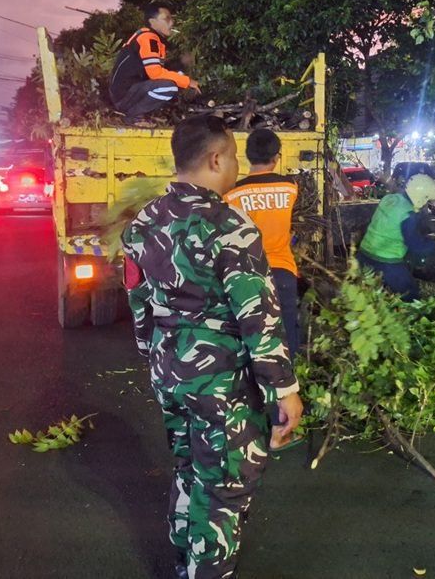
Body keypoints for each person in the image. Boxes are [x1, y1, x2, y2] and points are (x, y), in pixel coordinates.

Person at [121, 114, 302, 579]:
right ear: (216, 158)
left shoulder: (142, 223)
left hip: (169, 373)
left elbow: (139, 303)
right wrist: (284, 389)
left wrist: (155, 359)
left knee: (188, 466)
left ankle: (184, 561)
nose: (237, 167)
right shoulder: (231, 227)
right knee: (224, 486)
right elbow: (259, 318)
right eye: (235, 158)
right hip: (221, 382)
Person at [224, 129, 300, 359]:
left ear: (247, 156)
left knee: (250, 333)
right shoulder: (290, 188)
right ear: (276, 158)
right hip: (283, 272)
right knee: (287, 334)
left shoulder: (232, 194)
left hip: (247, 275)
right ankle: (288, 386)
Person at [357, 173, 435, 300]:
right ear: (421, 197)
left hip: (363, 255)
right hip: (386, 262)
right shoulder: (408, 214)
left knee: (369, 294)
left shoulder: (389, 199)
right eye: (427, 200)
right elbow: (415, 246)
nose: (426, 204)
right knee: (411, 294)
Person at [109, 2, 201, 121]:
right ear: (153, 22)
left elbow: (158, 70)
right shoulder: (148, 38)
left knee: (175, 80)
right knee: (170, 87)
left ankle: (143, 114)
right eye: (166, 19)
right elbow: (155, 74)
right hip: (124, 95)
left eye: (171, 19)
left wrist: (181, 63)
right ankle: (133, 116)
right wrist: (188, 81)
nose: (171, 23)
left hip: (131, 91)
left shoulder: (153, 39)